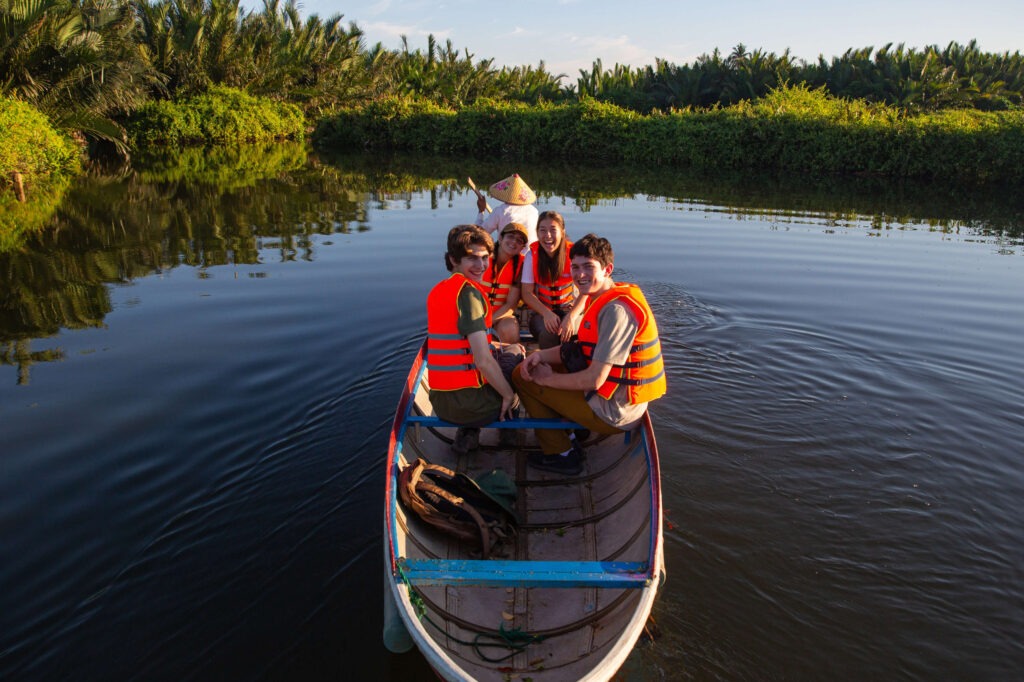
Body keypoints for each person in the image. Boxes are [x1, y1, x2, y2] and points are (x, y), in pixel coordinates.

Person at [512, 234, 667, 474]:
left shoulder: (616, 310)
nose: (580, 274)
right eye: (575, 267)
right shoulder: (602, 297)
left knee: (522, 377)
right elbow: (578, 350)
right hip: (611, 398)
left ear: (608, 269)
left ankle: (563, 453)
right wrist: (540, 357)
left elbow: (594, 379)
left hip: (613, 412)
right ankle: (573, 429)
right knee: (534, 366)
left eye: (588, 267)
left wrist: (545, 378)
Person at [427, 225, 521, 455]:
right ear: (453, 259)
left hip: (440, 403)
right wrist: (508, 394)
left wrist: (499, 347)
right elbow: (483, 361)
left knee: (507, 352)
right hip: (471, 405)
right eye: (472, 258)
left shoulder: (438, 290)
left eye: (484, 258)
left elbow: (457, 344)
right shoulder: (469, 294)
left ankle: (466, 437)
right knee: (517, 362)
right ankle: (508, 434)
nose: (480, 266)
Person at [520, 210, 585, 349]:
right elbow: (526, 293)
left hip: (570, 310)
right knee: (549, 334)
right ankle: (550, 366)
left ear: (562, 232)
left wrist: (571, 316)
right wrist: (546, 314)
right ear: (537, 233)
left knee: (573, 333)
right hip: (543, 313)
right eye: (542, 230)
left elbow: (586, 291)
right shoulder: (532, 256)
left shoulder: (574, 255)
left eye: (553, 230)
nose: (547, 235)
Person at [481, 222, 528, 346]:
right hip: (474, 313)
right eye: (510, 236)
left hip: (500, 316)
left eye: (519, 240)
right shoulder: (482, 257)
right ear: (500, 238)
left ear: (522, 248)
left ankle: (506, 358)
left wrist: (488, 322)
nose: (514, 242)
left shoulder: (521, 266)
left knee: (510, 328)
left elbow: (511, 304)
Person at [474, 174, 539, 245]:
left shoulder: (501, 211)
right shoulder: (534, 211)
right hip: (532, 253)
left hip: (509, 252)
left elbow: (479, 234)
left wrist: (481, 211)